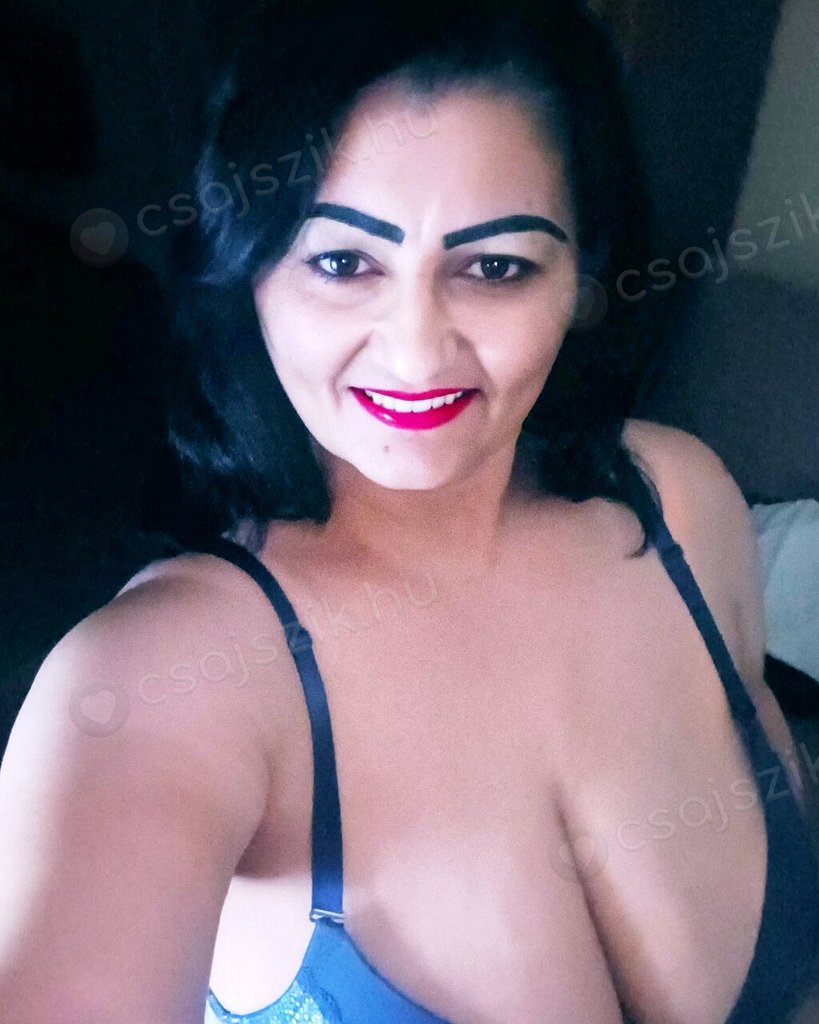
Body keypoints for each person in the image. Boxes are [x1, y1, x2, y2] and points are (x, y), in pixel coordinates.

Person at [1, 1, 818, 1022]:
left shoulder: (680, 503)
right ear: (250, 275)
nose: (416, 350)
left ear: (583, 278)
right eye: (344, 263)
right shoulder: (159, 683)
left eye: (496, 266)